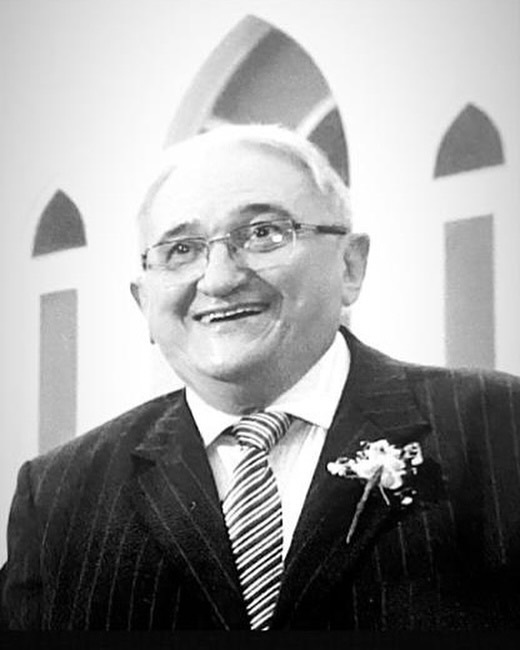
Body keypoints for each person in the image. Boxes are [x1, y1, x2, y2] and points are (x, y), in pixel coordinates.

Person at [1, 124, 520, 631]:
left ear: (350, 266)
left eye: (263, 234)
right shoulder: (58, 496)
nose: (219, 278)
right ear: (143, 302)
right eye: (181, 250)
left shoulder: (500, 428)